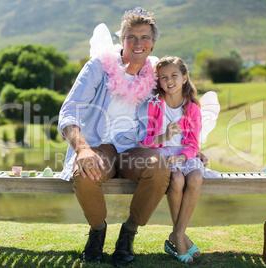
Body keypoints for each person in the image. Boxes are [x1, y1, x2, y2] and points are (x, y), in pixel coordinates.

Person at [58, 7, 171, 266]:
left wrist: (191, 145)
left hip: (134, 148)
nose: (138, 43)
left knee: (159, 168)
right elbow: (69, 112)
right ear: (122, 40)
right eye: (131, 37)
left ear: (153, 44)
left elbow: (183, 108)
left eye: (144, 37)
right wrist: (83, 150)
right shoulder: (99, 66)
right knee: (84, 172)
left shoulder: (156, 74)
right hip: (100, 145)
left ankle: (128, 233)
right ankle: (97, 231)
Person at [140, 56, 219, 264]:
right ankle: (181, 238)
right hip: (161, 155)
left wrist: (183, 156)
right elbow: (144, 140)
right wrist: (163, 137)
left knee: (195, 178)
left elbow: (193, 144)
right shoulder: (155, 105)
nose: (169, 80)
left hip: (185, 155)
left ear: (184, 78)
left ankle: (177, 234)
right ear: (159, 81)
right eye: (163, 77)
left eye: (174, 75)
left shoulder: (192, 108)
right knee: (176, 180)